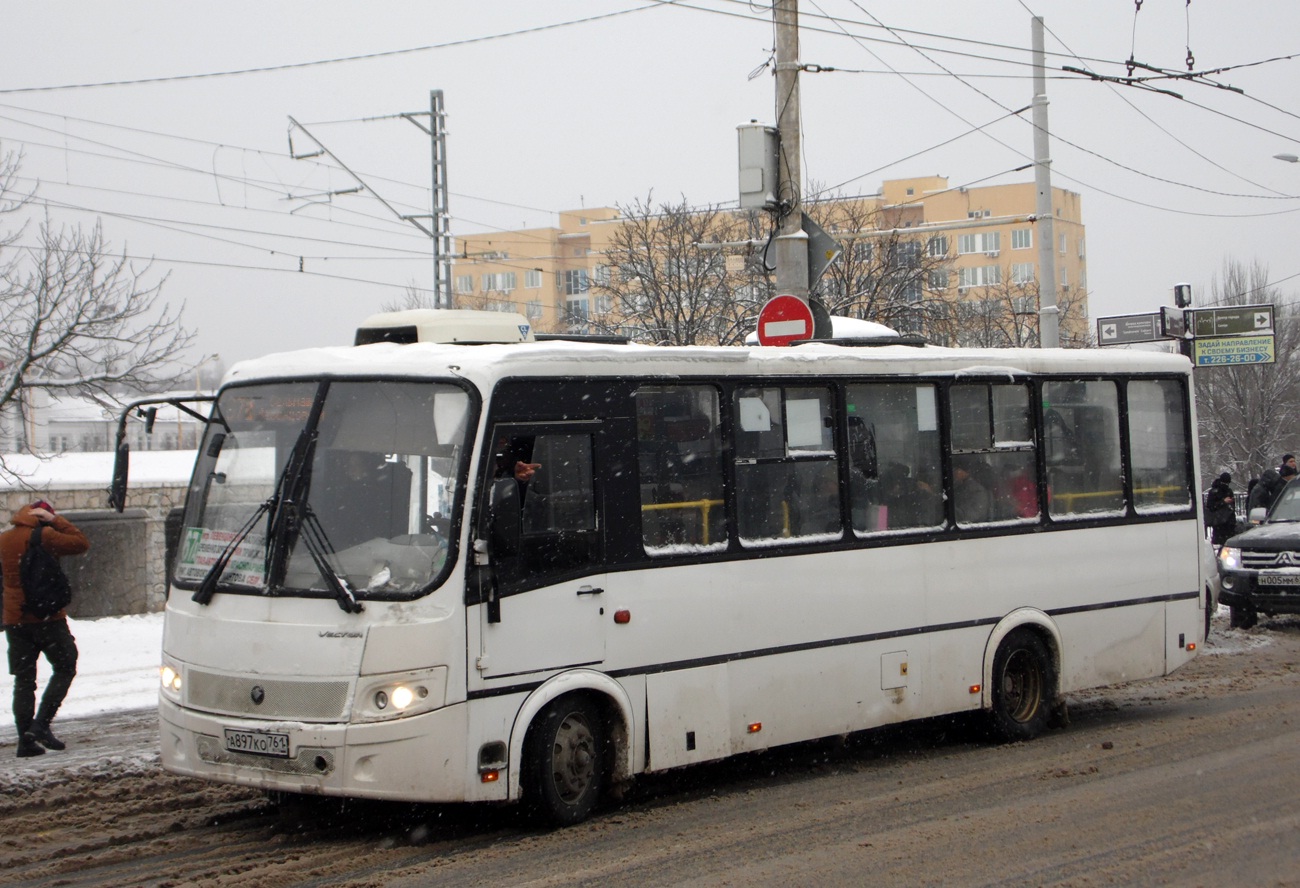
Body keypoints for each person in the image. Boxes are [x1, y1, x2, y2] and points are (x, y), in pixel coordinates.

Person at [1, 500, 90, 758]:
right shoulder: (46, 535)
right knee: (65, 666)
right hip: (47, 618)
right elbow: (80, 542)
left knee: (24, 680)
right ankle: (40, 725)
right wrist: (56, 521)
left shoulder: (4, 539)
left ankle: (25, 740)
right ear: (42, 516)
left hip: (15, 620)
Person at [1204, 472, 1237, 547]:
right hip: (1219, 522)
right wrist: (1223, 502)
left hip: (1228, 521)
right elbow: (1210, 506)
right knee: (1219, 543)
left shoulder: (1228, 491)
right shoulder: (1214, 492)